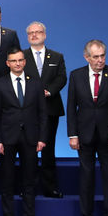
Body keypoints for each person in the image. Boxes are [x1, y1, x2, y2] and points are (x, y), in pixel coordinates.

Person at [67, 39, 108, 216]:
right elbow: (71, 107)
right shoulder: (76, 76)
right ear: (87, 57)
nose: (100, 60)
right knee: (86, 179)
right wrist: (72, 135)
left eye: (102, 56)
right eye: (96, 57)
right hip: (84, 135)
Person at [0, 49, 46, 216]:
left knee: (29, 181)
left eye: (21, 60)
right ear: (7, 63)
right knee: (7, 181)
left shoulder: (36, 83)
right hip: (7, 139)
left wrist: (42, 138)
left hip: (30, 138)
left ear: (25, 62)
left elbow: (42, 114)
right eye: (13, 61)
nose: (18, 63)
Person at [23, 22, 67, 198]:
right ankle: (28, 187)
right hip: (27, 109)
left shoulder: (57, 56)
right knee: (28, 150)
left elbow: (62, 78)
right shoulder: (21, 56)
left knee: (48, 149)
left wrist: (48, 91)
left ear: (45, 35)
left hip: (50, 108)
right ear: (27, 37)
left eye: (38, 32)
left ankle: (50, 187)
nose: (34, 35)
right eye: (31, 33)